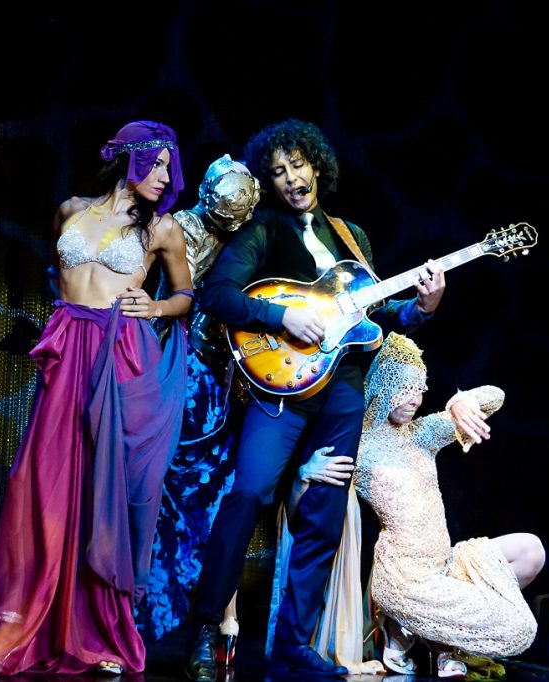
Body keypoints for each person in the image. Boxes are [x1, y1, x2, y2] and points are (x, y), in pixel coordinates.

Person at [184, 118, 446, 680]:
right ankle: (205, 630)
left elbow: (371, 322)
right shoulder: (261, 232)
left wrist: (421, 309)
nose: (290, 178)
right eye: (277, 171)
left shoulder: (350, 237)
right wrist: (282, 315)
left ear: (317, 167)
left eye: (297, 165)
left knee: (324, 517)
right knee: (249, 494)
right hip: (280, 388)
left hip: (343, 391)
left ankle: (293, 643)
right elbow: (218, 294)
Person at [0, 120, 194, 677]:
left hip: (120, 358)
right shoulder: (71, 210)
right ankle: (14, 630)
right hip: (69, 355)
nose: (165, 178)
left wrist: (157, 309)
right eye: (157, 164)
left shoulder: (162, 229)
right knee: (39, 488)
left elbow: (186, 292)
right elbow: (59, 274)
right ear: (130, 159)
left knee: (105, 496)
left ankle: (104, 635)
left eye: (169, 168)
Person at [354, 332, 544, 679]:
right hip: (405, 579)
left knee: (531, 550)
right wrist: (308, 470)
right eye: (405, 388)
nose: (414, 399)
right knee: (520, 628)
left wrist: (460, 400)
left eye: (420, 388)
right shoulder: (360, 449)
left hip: (445, 564)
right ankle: (431, 640)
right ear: (383, 386)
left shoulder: (421, 434)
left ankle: (422, 637)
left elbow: (495, 396)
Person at [139, 155, 260, 639]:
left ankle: (219, 619)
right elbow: (160, 293)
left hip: (225, 372)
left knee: (217, 491)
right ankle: (141, 609)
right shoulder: (179, 227)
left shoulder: (252, 236)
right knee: (161, 483)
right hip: (176, 361)